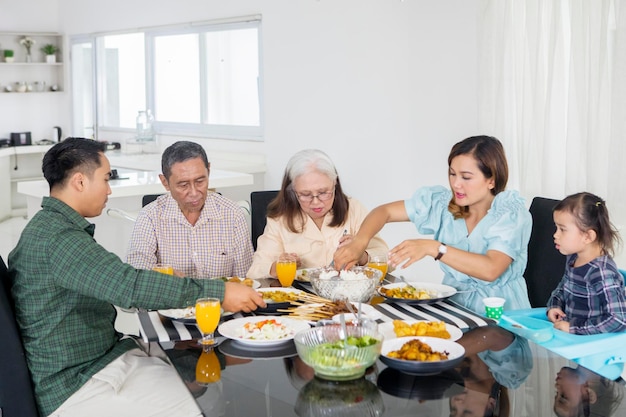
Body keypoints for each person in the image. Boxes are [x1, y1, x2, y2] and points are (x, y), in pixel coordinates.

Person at [7, 138, 265, 417]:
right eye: (105, 179)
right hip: (79, 383)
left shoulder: (52, 229)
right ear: (80, 182)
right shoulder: (59, 241)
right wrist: (219, 292)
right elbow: (129, 285)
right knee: (197, 407)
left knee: (200, 376)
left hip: (101, 360)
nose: (108, 190)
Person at [334, 135, 532, 314]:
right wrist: (359, 242)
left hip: (502, 314)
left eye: (466, 177)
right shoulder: (442, 204)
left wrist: (434, 248)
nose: (455, 184)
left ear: (492, 180)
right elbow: (383, 212)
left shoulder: (511, 213)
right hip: (456, 307)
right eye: (452, 174)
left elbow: (491, 269)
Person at [247, 149, 388, 279]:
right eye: (305, 194)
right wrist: (278, 267)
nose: (315, 202)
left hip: (347, 298)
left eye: (323, 193)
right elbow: (255, 271)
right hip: (300, 300)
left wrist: (361, 254)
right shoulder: (279, 219)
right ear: (292, 191)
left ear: (335, 184)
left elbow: (387, 260)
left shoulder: (354, 209)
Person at [127, 140, 253, 278]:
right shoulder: (150, 217)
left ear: (209, 171)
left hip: (222, 300)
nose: (194, 193)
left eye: (200, 181)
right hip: (172, 299)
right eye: (183, 185)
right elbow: (138, 277)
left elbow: (245, 278)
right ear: (165, 182)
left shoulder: (232, 214)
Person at [546, 192, 626, 335]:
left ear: (588, 236)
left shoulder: (601, 272)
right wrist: (554, 306)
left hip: (592, 345)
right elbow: (563, 288)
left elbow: (618, 319)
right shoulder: (573, 258)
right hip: (572, 338)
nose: (555, 235)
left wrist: (573, 327)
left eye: (562, 229)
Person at [553, 365, 624, 417]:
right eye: (563, 396)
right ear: (589, 395)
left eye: (557, 393)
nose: (557, 386)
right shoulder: (614, 367)